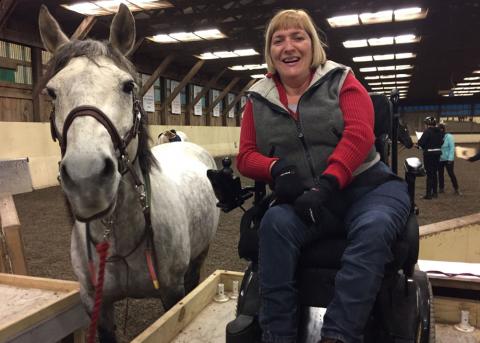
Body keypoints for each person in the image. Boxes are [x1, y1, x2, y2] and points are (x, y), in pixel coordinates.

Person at [236, 9, 411, 343]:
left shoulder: (343, 80)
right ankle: (277, 334)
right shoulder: (257, 98)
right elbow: (245, 156)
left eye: (298, 37)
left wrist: (329, 182)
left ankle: (338, 335)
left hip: (367, 188)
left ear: (312, 44)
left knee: (374, 228)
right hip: (308, 197)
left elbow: (360, 134)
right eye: (279, 39)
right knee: (274, 226)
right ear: (270, 51)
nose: (288, 46)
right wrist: (276, 169)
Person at [417, 116, 443, 199]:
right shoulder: (439, 131)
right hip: (437, 154)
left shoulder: (427, 131)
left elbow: (421, 142)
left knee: (429, 174)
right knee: (435, 173)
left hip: (429, 154)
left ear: (428, 124)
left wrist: (420, 145)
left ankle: (428, 194)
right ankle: (435, 193)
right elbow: (441, 142)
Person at [438, 123, 461, 195]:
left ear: (442, 129)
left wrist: (450, 159)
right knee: (440, 174)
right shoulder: (437, 137)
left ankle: (456, 188)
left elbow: (452, 148)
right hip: (439, 159)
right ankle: (441, 188)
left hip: (448, 159)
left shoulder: (449, 137)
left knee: (451, 174)